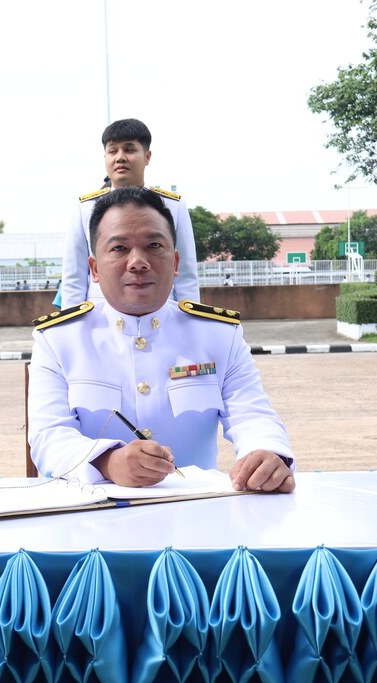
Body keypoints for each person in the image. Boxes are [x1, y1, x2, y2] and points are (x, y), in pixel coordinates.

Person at [29, 187, 295, 493]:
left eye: (154, 245)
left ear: (176, 262)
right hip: (93, 509)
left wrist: (267, 454)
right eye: (119, 248)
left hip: (196, 511)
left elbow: (253, 415)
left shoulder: (219, 335)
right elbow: (48, 435)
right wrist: (107, 462)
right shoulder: (58, 339)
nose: (138, 262)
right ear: (94, 269)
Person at [60, 118, 199, 308]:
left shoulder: (173, 206)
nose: (120, 157)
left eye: (129, 149)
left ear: (147, 156)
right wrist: (73, 323)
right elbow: (74, 278)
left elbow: (186, 275)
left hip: (161, 313)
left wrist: (188, 320)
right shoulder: (85, 208)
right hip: (102, 315)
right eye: (112, 151)